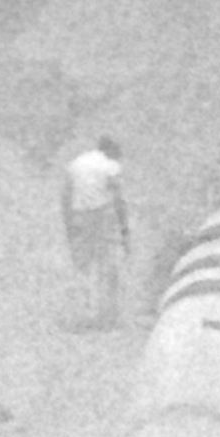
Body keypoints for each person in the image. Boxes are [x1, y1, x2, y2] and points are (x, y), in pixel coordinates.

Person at [59, 136, 130, 326]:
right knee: (109, 265)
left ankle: (79, 316)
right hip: (103, 216)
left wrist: (69, 223)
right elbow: (119, 199)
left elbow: (66, 196)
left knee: (82, 266)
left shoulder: (75, 164)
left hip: (79, 215)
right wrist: (124, 230)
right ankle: (108, 317)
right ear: (112, 152)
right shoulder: (110, 166)